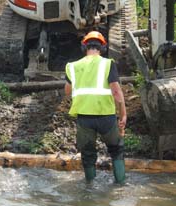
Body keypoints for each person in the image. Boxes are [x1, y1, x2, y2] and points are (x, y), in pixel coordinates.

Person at [64, 31, 127, 184]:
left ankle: (90, 187)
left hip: (84, 118)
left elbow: (67, 91)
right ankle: (121, 186)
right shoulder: (108, 63)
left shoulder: (72, 66)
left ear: (84, 47)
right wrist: (123, 115)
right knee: (116, 150)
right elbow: (117, 92)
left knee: (88, 153)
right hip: (106, 116)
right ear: (102, 47)